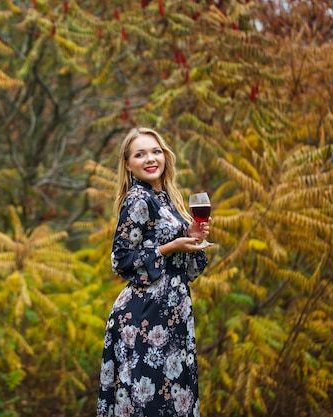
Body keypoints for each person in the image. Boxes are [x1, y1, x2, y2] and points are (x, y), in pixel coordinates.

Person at [96, 127, 210, 417]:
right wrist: (169, 247)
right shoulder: (138, 199)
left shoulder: (166, 199)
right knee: (149, 404)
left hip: (172, 312)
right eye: (140, 153)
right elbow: (120, 259)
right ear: (128, 163)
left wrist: (192, 233)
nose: (150, 158)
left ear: (165, 156)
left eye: (155, 151)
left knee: (173, 400)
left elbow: (178, 256)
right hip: (145, 316)